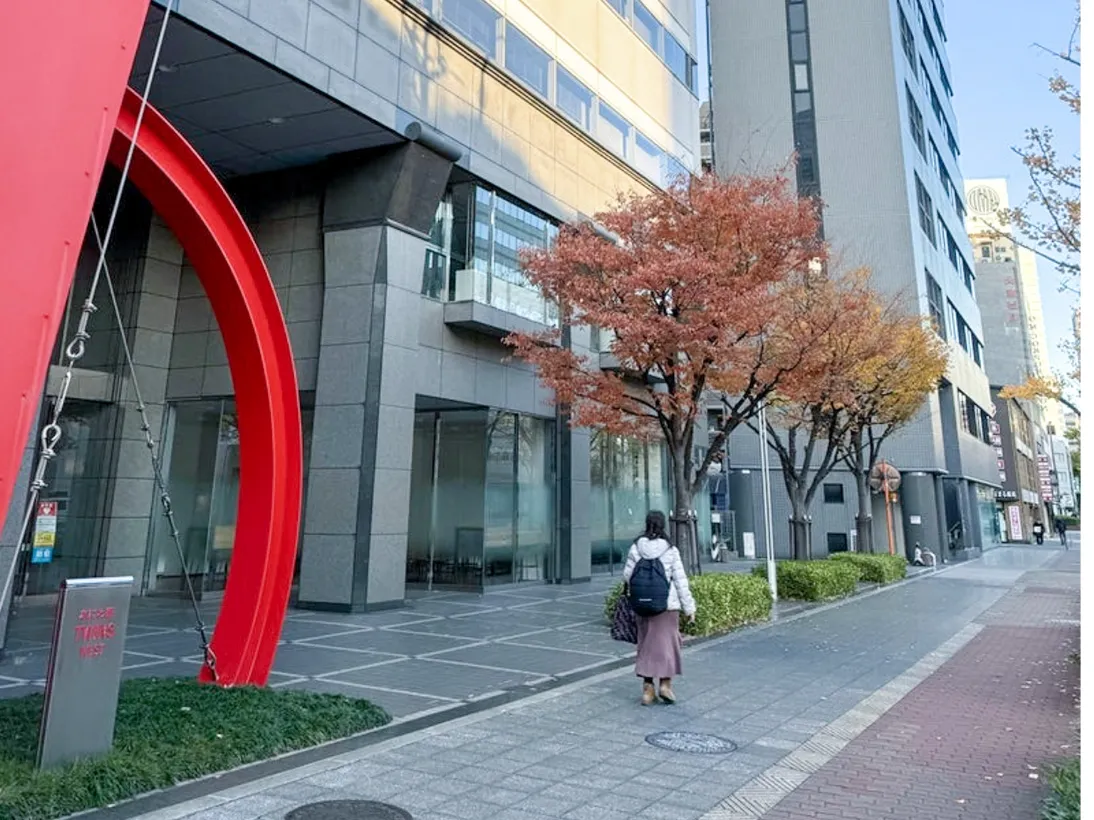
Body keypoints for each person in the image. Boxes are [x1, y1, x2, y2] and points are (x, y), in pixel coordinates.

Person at [622, 511, 696, 706]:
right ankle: (665, 685)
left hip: (642, 605)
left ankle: (647, 689)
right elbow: (681, 582)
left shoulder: (636, 547)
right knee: (668, 645)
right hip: (666, 606)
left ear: (647, 524)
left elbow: (627, 576)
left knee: (645, 644)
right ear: (663, 525)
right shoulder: (670, 550)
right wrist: (689, 608)